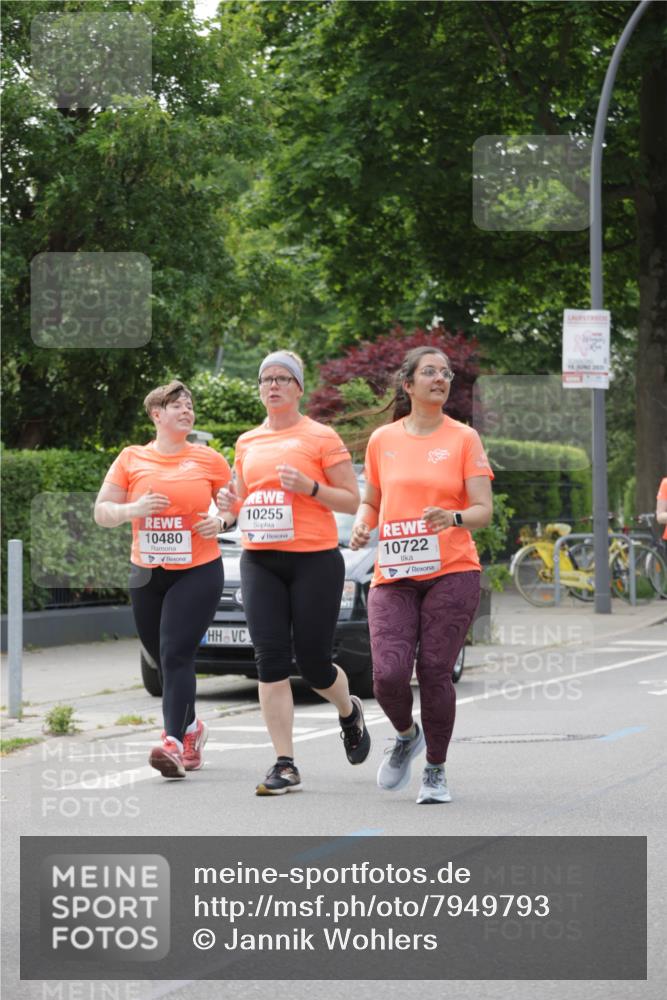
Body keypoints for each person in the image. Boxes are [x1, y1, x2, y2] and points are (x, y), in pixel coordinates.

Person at [216, 350, 370, 795]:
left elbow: (351, 499)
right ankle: (285, 762)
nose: (274, 385)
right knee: (270, 659)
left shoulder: (321, 437)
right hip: (260, 559)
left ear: (299, 388)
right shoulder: (247, 442)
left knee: (315, 663)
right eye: (267, 378)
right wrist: (228, 512)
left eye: (284, 378)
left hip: (315, 560)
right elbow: (240, 503)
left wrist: (311, 488)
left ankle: (348, 711)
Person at [350, 346, 493, 805]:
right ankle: (406, 735)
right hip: (394, 573)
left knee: (434, 670)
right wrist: (361, 523)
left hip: (452, 571)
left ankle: (435, 768)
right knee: (387, 676)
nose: (440, 378)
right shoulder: (382, 440)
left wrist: (450, 519)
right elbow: (371, 500)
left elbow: (482, 511)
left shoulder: (464, 438)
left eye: (446, 373)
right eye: (429, 372)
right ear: (408, 384)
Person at [94, 380, 231, 779]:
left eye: (190, 405)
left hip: (197, 569)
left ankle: (171, 741)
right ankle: (192, 729)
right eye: (177, 406)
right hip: (146, 573)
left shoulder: (208, 459)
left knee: (175, 653)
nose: (187, 410)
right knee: (161, 656)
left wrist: (221, 520)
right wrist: (133, 507)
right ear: (157, 414)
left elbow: (235, 504)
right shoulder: (131, 458)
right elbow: (102, 511)